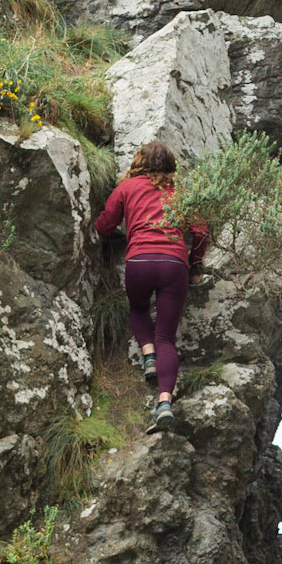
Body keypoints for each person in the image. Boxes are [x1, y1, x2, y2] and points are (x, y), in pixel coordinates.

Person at [94, 142, 209, 433]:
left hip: (139, 261)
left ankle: (148, 356)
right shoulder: (181, 191)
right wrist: (195, 262)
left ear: (139, 162)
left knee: (139, 308)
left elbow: (105, 226)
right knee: (166, 337)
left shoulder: (127, 188)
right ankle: (165, 403)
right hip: (174, 264)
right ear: (171, 164)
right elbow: (201, 231)